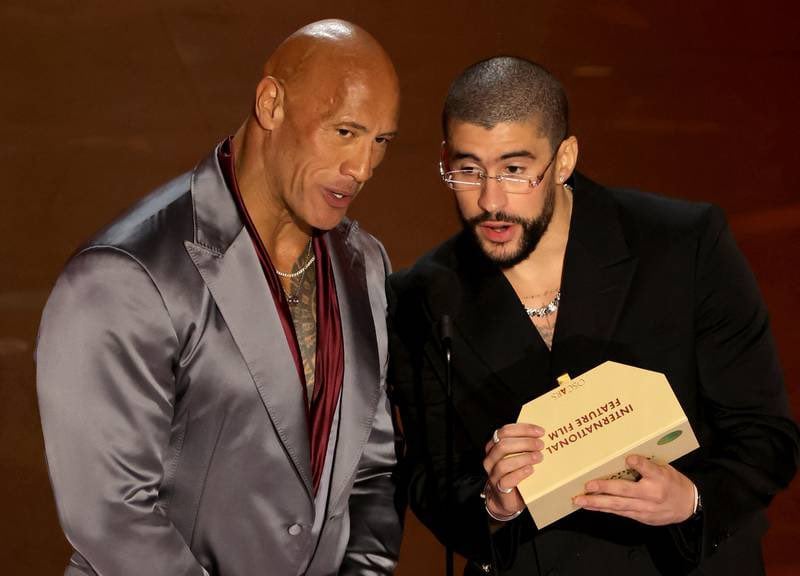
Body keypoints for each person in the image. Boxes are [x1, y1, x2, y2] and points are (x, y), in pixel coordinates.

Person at [387, 56, 799, 575]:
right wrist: (494, 504)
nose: (490, 201)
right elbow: (430, 479)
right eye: (468, 171)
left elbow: (766, 436)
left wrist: (691, 500)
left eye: (515, 170)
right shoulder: (422, 297)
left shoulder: (682, 245)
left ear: (564, 160)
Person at [36, 19, 402, 576]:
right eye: (345, 132)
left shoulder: (365, 264)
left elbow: (372, 472)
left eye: (380, 142)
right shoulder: (124, 274)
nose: (363, 168)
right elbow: (113, 517)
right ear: (271, 104)